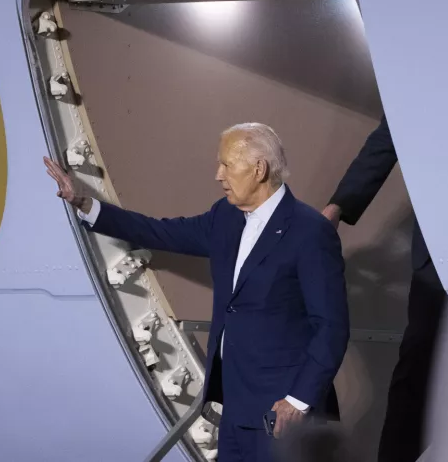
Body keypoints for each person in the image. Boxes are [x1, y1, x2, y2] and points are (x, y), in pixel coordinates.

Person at [44, 122, 350, 462]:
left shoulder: (310, 231)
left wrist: (298, 401)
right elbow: (159, 232)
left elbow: (332, 327)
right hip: (234, 407)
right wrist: (85, 203)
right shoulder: (225, 216)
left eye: (226, 165)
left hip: (283, 416)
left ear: (259, 169)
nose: (219, 175)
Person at [320, 115, 448, 462]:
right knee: (417, 366)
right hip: (439, 251)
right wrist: (338, 207)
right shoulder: (421, 83)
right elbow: (391, 132)